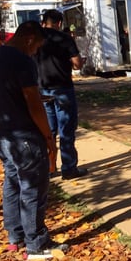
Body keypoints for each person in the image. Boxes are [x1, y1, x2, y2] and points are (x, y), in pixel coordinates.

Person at [0, 21, 69, 260]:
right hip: (26, 137)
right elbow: (31, 100)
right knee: (34, 188)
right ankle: (37, 244)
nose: (36, 52)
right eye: (37, 46)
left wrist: (14, 100)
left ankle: (15, 235)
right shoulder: (22, 60)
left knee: (12, 183)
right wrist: (48, 137)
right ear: (30, 38)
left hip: (5, 134)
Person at [35, 9, 87, 180]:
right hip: (62, 88)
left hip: (43, 89)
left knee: (48, 130)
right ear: (59, 23)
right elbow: (77, 63)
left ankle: (49, 167)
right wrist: (78, 63)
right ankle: (69, 167)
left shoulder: (36, 39)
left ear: (44, 21)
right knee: (66, 129)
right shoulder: (64, 38)